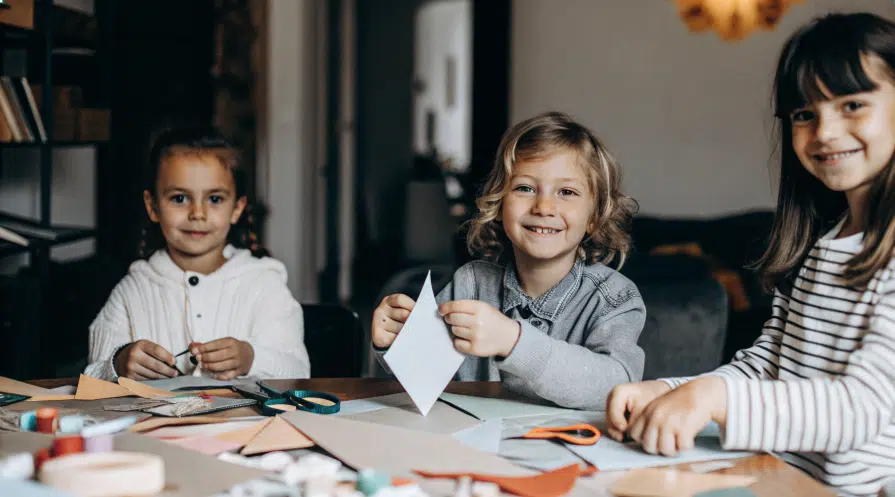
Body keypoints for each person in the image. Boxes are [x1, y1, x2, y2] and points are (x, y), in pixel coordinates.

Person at [606, 13, 895, 497]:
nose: (824, 131)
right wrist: (671, 391)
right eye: (804, 113)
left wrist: (715, 398)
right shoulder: (822, 245)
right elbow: (768, 364)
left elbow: (862, 407)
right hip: (779, 479)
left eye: (852, 105)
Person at [373, 111, 645, 409]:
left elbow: (617, 385)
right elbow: (426, 375)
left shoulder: (615, 299)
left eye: (566, 192)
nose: (544, 206)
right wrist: (396, 342)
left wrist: (515, 342)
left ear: (594, 217)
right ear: (500, 204)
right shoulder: (471, 283)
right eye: (525, 188)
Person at [85, 126, 310, 381]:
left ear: (237, 208)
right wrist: (118, 364)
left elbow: (299, 371)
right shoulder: (132, 291)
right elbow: (92, 378)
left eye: (214, 199)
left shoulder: (264, 285)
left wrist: (250, 358)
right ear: (153, 206)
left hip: (244, 422)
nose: (198, 213)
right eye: (180, 198)